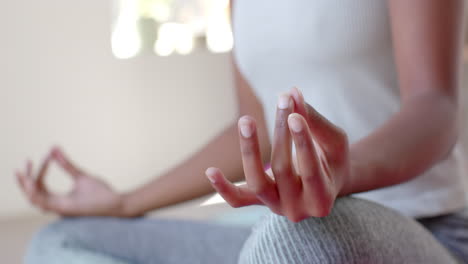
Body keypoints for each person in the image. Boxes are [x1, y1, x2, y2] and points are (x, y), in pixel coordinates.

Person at [16, 0, 468, 263]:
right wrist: (124, 202)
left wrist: (344, 171)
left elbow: (436, 106)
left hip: (423, 228)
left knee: (288, 240)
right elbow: (251, 132)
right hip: (287, 221)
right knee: (62, 238)